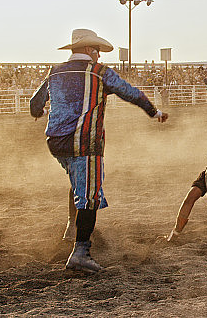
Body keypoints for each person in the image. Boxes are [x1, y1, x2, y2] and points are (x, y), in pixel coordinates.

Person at [30, 28, 168, 273]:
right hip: (84, 142)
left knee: (78, 180)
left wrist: (39, 113)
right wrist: (153, 112)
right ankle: (80, 251)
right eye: (97, 52)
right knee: (90, 195)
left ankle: (72, 227)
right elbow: (130, 92)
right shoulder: (99, 73)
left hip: (55, 143)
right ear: (88, 50)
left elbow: (34, 105)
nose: (99, 57)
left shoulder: (55, 72)